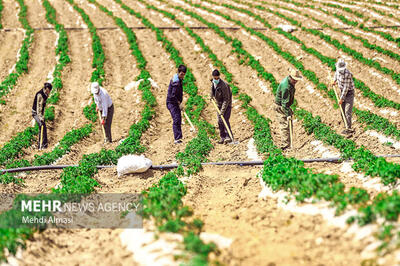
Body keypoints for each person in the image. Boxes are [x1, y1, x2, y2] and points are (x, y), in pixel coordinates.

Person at [275, 69, 302, 150]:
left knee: (288, 124)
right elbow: (284, 103)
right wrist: (288, 114)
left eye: (297, 80)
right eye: (295, 79)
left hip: (285, 105)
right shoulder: (286, 87)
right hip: (281, 107)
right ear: (290, 77)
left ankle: (289, 144)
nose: (296, 81)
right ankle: (285, 146)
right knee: (284, 125)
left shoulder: (290, 82)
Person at [210, 69, 233, 144]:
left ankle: (229, 137)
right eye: (215, 78)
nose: (216, 79)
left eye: (217, 78)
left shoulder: (224, 85)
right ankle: (222, 137)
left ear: (219, 77)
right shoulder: (213, 83)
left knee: (225, 120)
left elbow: (226, 99)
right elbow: (212, 90)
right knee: (220, 121)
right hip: (219, 105)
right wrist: (211, 96)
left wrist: (222, 111)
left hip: (226, 104)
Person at [333, 58, 355, 135]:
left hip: (349, 93)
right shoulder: (338, 71)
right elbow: (336, 75)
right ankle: (345, 126)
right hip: (341, 91)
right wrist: (334, 81)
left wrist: (341, 99)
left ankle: (349, 128)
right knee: (342, 111)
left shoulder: (347, 74)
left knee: (347, 111)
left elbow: (346, 88)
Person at [167, 65, 186, 144]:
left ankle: (179, 138)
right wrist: (178, 102)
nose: (182, 75)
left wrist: (180, 102)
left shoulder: (179, 79)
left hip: (176, 102)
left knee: (179, 118)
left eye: (184, 74)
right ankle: (177, 139)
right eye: (181, 74)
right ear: (178, 72)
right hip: (171, 103)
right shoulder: (176, 82)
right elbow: (172, 95)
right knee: (176, 119)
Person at [32, 82, 52, 149]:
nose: (49, 92)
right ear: (46, 88)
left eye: (49, 90)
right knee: (41, 125)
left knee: (44, 127)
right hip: (35, 112)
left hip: (40, 113)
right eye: (48, 90)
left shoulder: (45, 94)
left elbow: (43, 107)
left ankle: (44, 145)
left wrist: (42, 116)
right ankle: (40, 146)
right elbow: (39, 107)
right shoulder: (40, 95)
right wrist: (40, 117)